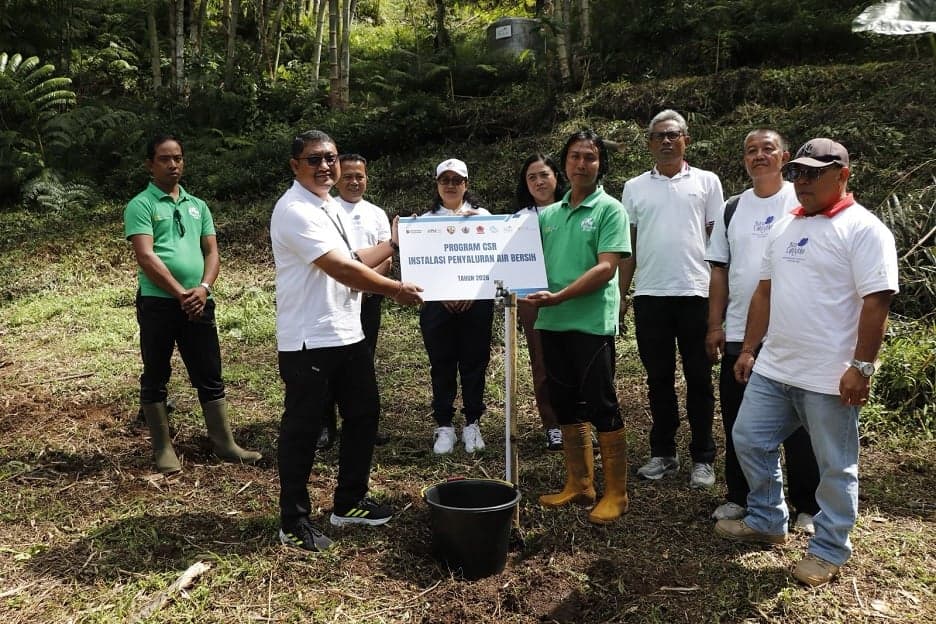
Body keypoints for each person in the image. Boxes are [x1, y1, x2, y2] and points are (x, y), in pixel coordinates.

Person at [714, 138, 898, 587]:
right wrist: (751, 349)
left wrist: (862, 366)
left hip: (828, 378)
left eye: (816, 173)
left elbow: (876, 303)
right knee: (749, 439)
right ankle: (767, 519)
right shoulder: (786, 225)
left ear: (843, 175)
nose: (804, 181)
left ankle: (830, 548)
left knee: (835, 465)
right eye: (798, 172)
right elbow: (765, 291)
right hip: (775, 367)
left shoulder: (863, 229)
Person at [270, 130, 423, 552]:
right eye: (315, 159)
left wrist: (393, 243)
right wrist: (394, 289)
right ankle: (293, 521)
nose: (325, 167)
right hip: (309, 339)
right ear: (295, 165)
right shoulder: (294, 210)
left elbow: (354, 259)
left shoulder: (325, 207)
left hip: (346, 333)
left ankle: (349, 502)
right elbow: (341, 269)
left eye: (331, 158)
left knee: (364, 414)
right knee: (302, 429)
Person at [704, 129, 820, 533]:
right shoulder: (733, 207)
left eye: (767, 149)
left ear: (784, 156)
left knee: (800, 424)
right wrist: (715, 324)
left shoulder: (802, 200)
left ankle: (808, 504)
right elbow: (719, 268)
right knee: (740, 420)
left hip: (791, 332)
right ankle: (742, 496)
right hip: (739, 331)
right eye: (751, 150)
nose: (759, 156)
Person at [124, 134, 261, 474]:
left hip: (199, 302)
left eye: (178, 158)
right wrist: (179, 293)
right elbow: (145, 254)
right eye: (165, 159)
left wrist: (202, 288)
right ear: (150, 164)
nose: (173, 164)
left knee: (209, 372)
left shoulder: (197, 205)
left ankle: (224, 443)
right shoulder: (141, 205)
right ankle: (162, 447)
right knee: (156, 373)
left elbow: (212, 252)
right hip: (159, 303)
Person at [526, 130, 632, 525]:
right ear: (564, 164)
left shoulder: (610, 210)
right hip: (551, 321)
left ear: (600, 163)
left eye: (590, 157)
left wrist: (560, 296)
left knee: (601, 403)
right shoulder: (548, 216)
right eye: (574, 157)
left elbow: (607, 268)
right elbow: (519, 262)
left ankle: (616, 493)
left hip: (590, 324)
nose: (582, 163)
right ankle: (580, 483)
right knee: (566, 403)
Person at [618, 109, 724, 489]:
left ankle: (703, 457)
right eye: (659, 135)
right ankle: (663, 453)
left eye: (673, 135)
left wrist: (719, 301)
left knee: (699, 379)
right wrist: (621, 294)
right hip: (651, 296)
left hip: (696, 293)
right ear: (648, 143)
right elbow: (627, 246)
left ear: (686, 140)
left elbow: (719, 244)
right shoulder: (634, 188)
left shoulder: (708, 183)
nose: (666, 141)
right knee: (658, 379)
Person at [420, 158, 496, 455]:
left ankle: (473, 422)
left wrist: (471, 292)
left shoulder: (483, 217)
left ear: (466, 183)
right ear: (437, 184)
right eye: (445, 180)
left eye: (457, 180)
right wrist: (441, 294)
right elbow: (421, 267)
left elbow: (491, 262)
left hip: (475, 303)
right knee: (441, 364)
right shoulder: (424, 221)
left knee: (474, 363)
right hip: (438, 306)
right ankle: (444, 425)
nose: (451, 185)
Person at [317, 153, 393, 450]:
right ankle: (326, 425)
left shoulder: (376, 213)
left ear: (366, 179)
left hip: (369, 299)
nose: (354, 181)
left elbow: (386, 255)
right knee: (330, 362)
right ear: (337, 178)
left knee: (363, 361)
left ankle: (362, 424)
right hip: (333, 299)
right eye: (347, 176)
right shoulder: (326, 210)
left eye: (359, 176)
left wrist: (369, 286)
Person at [514, 153, 568, 451]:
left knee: (574, 359)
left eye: (543, 174)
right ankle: (553, 425)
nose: (539, 181)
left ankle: (578, 422)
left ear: (556, 177)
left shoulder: (572, 210)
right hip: (531, 298)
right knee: (542, 361)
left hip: (572, 294)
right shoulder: (519, 219)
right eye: (532, 177)